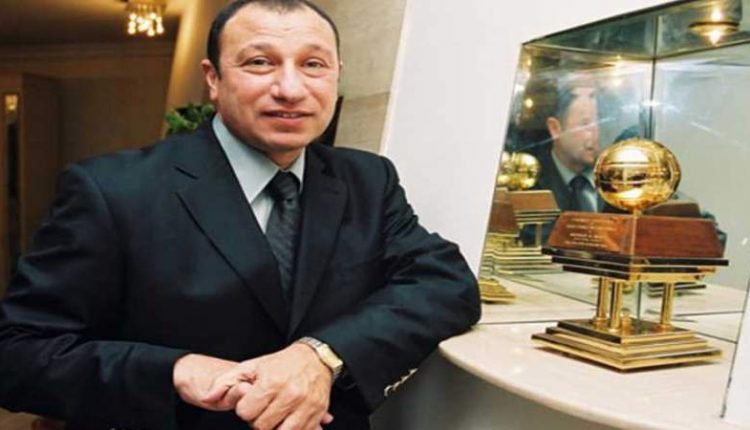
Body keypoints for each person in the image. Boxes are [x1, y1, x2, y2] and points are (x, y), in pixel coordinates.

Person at [0, 1, 481, 429]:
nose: (290, 88)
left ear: (337, 74)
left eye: (313, 64)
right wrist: (177, 370)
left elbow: (445, 283)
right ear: (213, 78)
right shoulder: (111, 190)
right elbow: (18, 352)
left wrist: (321, 355)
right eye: (259, 63)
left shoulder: (368, 180)